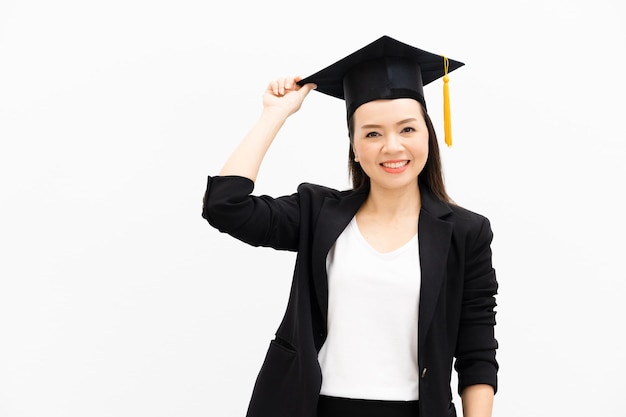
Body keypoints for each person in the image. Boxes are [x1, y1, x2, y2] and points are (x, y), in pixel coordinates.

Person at [202, 35, 498, 417]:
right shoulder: (317, 212)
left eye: (407, 129)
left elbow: (477, 351)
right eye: (372, 133)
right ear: (355, 148)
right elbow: (226, 207)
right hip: (311, 408)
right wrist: (273, 115)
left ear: (428, 135)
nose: (392, 147)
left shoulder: (465, 232)